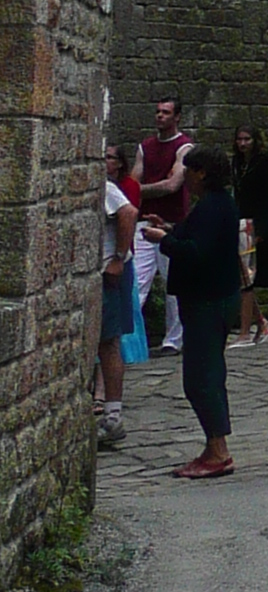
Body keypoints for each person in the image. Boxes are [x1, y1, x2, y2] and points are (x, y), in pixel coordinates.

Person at [142, 144, 241, 479]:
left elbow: (198, 253)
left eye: (188, 170)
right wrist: (168, 229)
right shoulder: (213, 206)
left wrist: (162, 241)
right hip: (209, 301)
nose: (184, 177)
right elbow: (195, 237)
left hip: (208, 303)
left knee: (203, 378)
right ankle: (213, 446)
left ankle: (219, 451)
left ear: (201, 173)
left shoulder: (214, 208)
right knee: (204, 375)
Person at [134, 95, 192, 354]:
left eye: (166, 112)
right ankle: (130, 339)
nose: (160, 116)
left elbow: (174, 185)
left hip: (172, 223)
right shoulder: (145, 147)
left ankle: (174, 340)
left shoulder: (184, 147)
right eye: (158, 111)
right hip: (144, 222)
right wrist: (149, 189)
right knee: (136, 280)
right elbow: (132, 186)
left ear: (177, 116)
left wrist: (143, 189)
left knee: (174, 285)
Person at [95, 142, 140, 449]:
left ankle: (113, 415)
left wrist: (117, 258)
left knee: (108, 341)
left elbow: (129, 212)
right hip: (100, 273)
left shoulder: (106, 188)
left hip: (109, 273)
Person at [232, 125, 268, 342]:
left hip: (254, 224)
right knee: (241, 275)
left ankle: (245, 332)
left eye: (247, 139)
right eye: (239, 139)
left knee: (247, 277)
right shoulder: (237, 163)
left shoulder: (264, 162)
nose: (242, 144)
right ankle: (260, 322)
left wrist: (262, 229)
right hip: (240, 221)